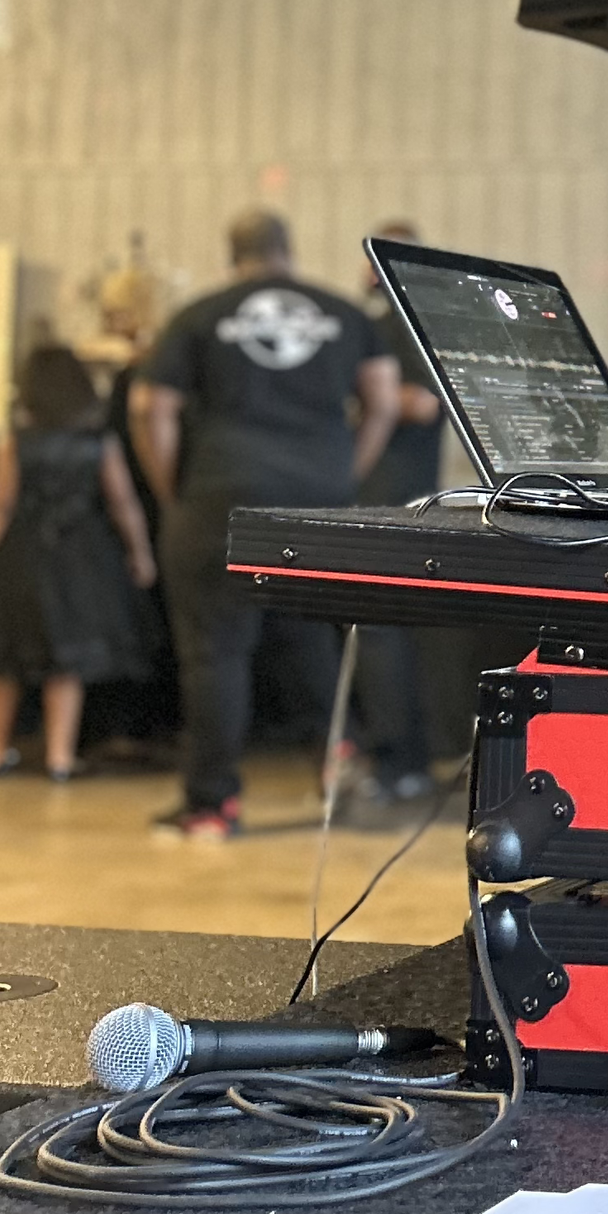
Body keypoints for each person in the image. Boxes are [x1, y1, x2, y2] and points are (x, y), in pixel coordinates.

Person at [131, 208, 401, 841]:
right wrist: (340, 475)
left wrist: (173, 489)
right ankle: (337, 754)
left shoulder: (199, 314)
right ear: (289, 248)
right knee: (308, 632)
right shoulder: (345, 314)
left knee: (216, 652)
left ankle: (212, 804)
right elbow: (383, 401)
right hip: (318, 496)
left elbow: (151, 406)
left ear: (233, 253)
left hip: (221, 492)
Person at [0, 343, 156, 781]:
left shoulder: (17, 442)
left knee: (4, 658)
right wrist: (140, 554)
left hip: (23, 555)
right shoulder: (98, 442)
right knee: (67, 660)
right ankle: (60, 757)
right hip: (82, 557)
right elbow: (123, 505)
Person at [353, 221, 445, 804]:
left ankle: (395, 761)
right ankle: (401, 757)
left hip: (385, 494)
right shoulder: (419, 325)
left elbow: (422, 403)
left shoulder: (393, 328)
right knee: (389, 633)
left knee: (378, 632)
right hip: (406, 492)